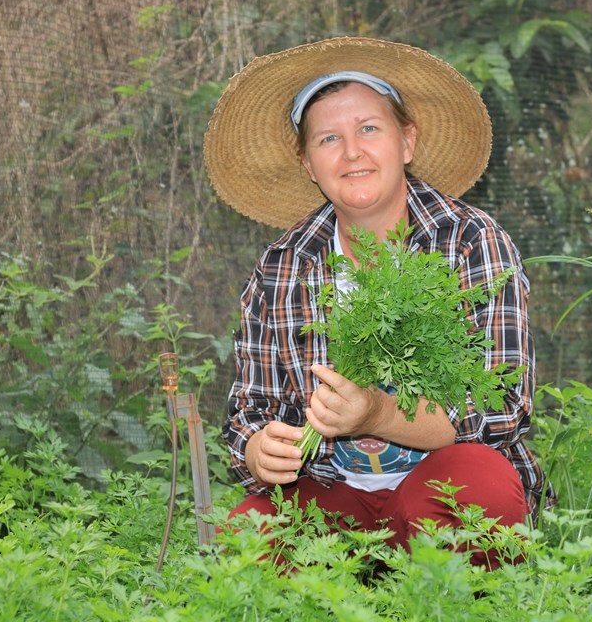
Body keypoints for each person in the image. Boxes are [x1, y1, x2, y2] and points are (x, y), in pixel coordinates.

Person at [203, 37, 552, 568]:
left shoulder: (469, 242)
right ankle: (359, 581)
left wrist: (375, 411)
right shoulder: (283, 265)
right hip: (334, 495)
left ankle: (437, 588)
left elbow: (501, 408)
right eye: (327, 139)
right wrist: (257, 449)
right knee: (248, 539)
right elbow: (252, 410)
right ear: (307, 163)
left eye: (369, 128)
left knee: (479, 493)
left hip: (440, 484)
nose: (352, 152)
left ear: (407, 141)